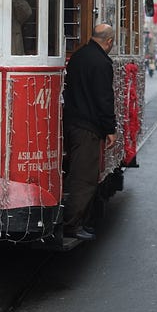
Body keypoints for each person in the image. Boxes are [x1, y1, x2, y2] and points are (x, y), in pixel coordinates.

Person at [62, 23, 117, 241]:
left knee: (77, 173)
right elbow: (104, 99)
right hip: (88, 128)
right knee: (84, 179)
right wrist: (110, 129)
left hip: (72, 123)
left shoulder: (78, 56)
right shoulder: (102, 63)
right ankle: (71, 225)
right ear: (109, 41)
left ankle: (75, 222)